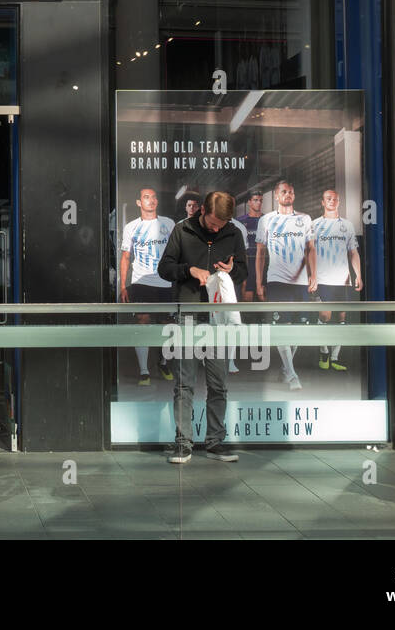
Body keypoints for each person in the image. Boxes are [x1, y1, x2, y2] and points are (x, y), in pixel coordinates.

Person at [157, 190, 246, 464]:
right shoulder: (182, 230)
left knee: (218, 385)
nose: (217, 228)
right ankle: (183, 444)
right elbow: (164, 268)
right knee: (184, 385)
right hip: (188, 316)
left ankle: (215, 442)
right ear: (202, 212)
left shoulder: (233, 234)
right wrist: (189, 271)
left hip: (219, 318)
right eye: (213, 223)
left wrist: (232, 271)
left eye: (222, 225)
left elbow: (244, 271)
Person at [256, 180, 314, 391]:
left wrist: (312, 275)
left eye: (290, 191)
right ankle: (291, 374)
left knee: (300, 329)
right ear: (276, 196)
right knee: (283, 327)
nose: (288, 194)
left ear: (294, 195)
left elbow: (310, 249)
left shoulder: (304, 219)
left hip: (300, 283)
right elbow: (261, 253)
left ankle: (286, 368)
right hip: (277, 280)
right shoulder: (267, 220)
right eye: (283, 192)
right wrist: (258, 282)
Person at [118, 186, 176, 385]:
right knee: (143, 321)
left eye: (153, 197)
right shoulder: (131, 227)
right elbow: (126, 257)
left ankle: (162, 362)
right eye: (145, 197)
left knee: (167, 325)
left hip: (165, 282)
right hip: (141, 282)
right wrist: (123, 286)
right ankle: (144, 371)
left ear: (157, 202)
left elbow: (177, 252)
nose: (150, 200)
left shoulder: (168, 224)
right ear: (138, 202)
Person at [308, 189, 362, 372]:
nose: (332, 201)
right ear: (322, 202)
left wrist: (358, 275)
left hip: (342, 280)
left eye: (335, 199)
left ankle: (334, 357)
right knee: (324, 316)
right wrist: (311, 276)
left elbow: (353, 252)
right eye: (328, 199)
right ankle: (323, 353)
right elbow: (309, 252)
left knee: (341, 318)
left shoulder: (347, 225)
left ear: (339, 202)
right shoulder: (315, 224)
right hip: (322, 279)